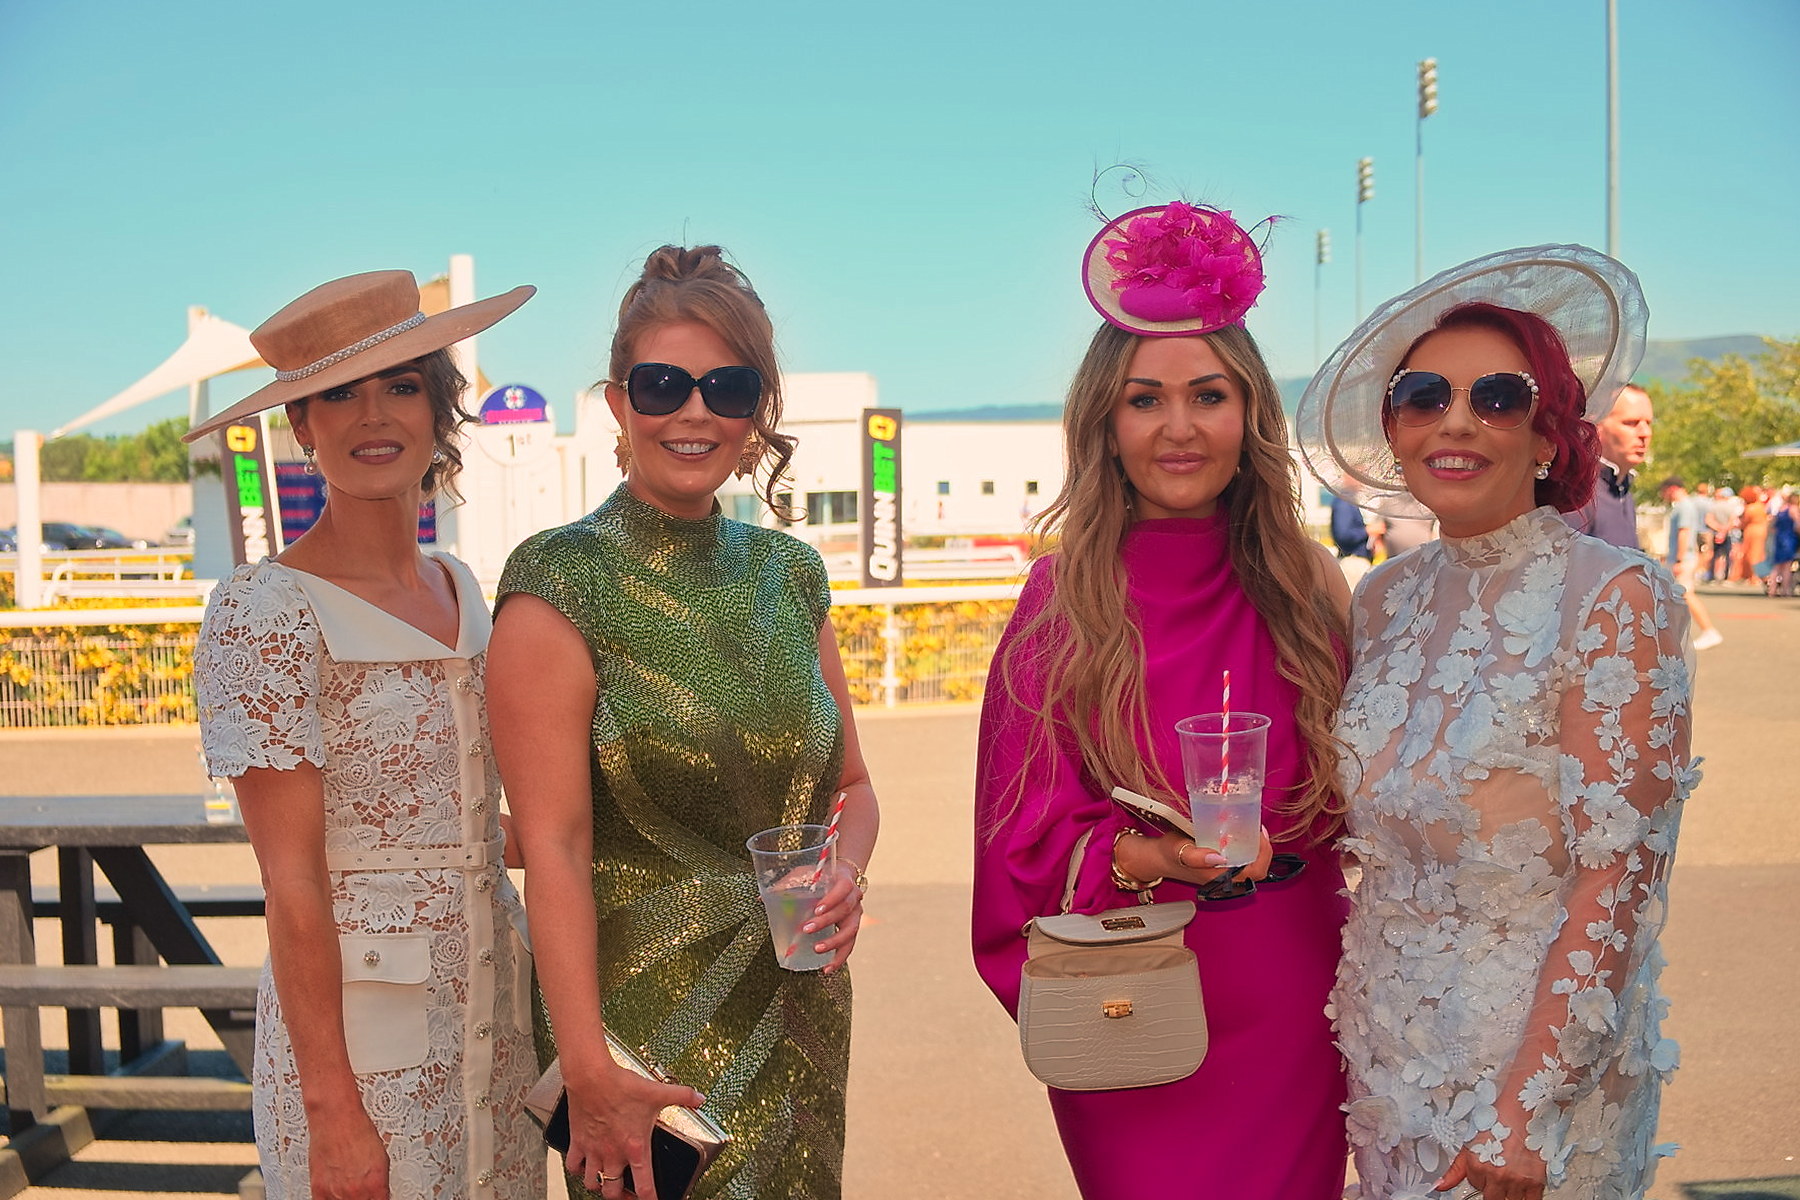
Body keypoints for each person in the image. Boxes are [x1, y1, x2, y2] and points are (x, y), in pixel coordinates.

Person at [1299, 245, 1698, 1199]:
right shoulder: (1382, 599)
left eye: (1500, 398)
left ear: (1553, 436)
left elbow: (1622, 876)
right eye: (1426, 395)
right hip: (1386, 1059)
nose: (1458, 422)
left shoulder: (1618, 599)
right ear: (1394, 429)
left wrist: (1528, 1105)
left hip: (1535, 1086)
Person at [974, 201, 1355, 1200]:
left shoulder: (1313, 586)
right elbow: (1014, 844)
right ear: (1106, 422)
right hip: (1131, 1004)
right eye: (1145, 399)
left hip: (1293, 1005)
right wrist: (1151, 857)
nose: (1179, 427)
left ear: (1250, 415)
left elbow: (1375, 808)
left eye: (1210, 395)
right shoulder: (1059, 602)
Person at [486, 245, 877, 1200]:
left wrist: (844, 873)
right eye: (663, 385)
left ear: (756, 413)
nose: (695, 411)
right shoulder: (559, 582)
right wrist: (586, 1067)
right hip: (641, 1039)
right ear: (618, 405)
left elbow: (854, 789)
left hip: (802, 1006)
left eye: (728, 387)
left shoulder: (791, 576)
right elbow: (556, 848)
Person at [188, 270, 544, 1198]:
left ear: (438, 410)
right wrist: (332, 1113)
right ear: (301, 426)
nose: (370, 416)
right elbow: (292, 883)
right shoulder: (265, 610)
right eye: (336, 394)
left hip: (495, 1015)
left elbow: (472, 826)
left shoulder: (468, 588)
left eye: (399, 385)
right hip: (361, 1056)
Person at [1565, 382, 1652, 549]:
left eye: (1648, 423)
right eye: (1631, 423)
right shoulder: (1578, 492)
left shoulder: (1623, 490)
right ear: (1596, 426)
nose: (1645, 433)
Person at [1659, 477, 1724, 648]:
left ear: (1672, 488)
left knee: (1686, 594)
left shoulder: (1684, 506)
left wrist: (1679, 559)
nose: (1663, 495)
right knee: (1677, 596)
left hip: (1683, 558)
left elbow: (1684, 532)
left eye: (1664, 491)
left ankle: (1709, 630)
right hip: (1682, 557)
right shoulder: (1686, 506)